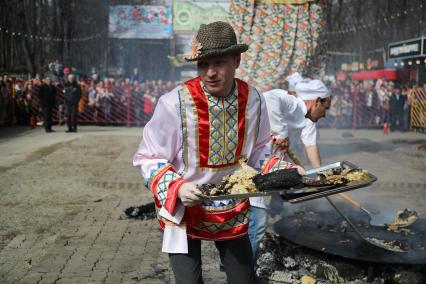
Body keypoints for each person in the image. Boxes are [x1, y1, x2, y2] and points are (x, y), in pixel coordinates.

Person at [133, 21, 299, 284]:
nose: (210, 73)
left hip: (232, 208)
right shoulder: (173, 103)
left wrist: (283, 169)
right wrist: (177, 187)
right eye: (203, 65)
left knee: (243, 279)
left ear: (236, 60)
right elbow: (149, 157)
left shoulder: (255, 100)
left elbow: (258, 154)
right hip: (183, 207)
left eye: (219, 63)